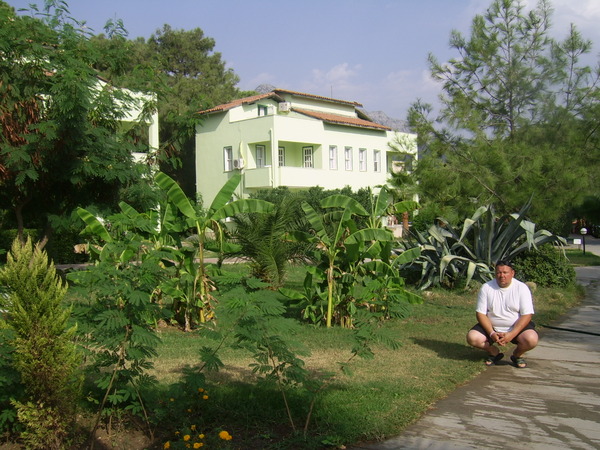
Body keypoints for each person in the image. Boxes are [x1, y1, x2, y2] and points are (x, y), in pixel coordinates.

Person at [466, 260, 538, 368]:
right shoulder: (486, 287)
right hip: (492, 327)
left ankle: (517, 355)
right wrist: (491, 333)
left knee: (531, 339)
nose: (502, 276)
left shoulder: (522, 288)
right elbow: (480, 313)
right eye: (499, 272)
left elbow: (527, 315)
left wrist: (512, 334)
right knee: (472, 337)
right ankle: (493, 352)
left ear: (512, 273)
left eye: (505, 272)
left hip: (515, 327)